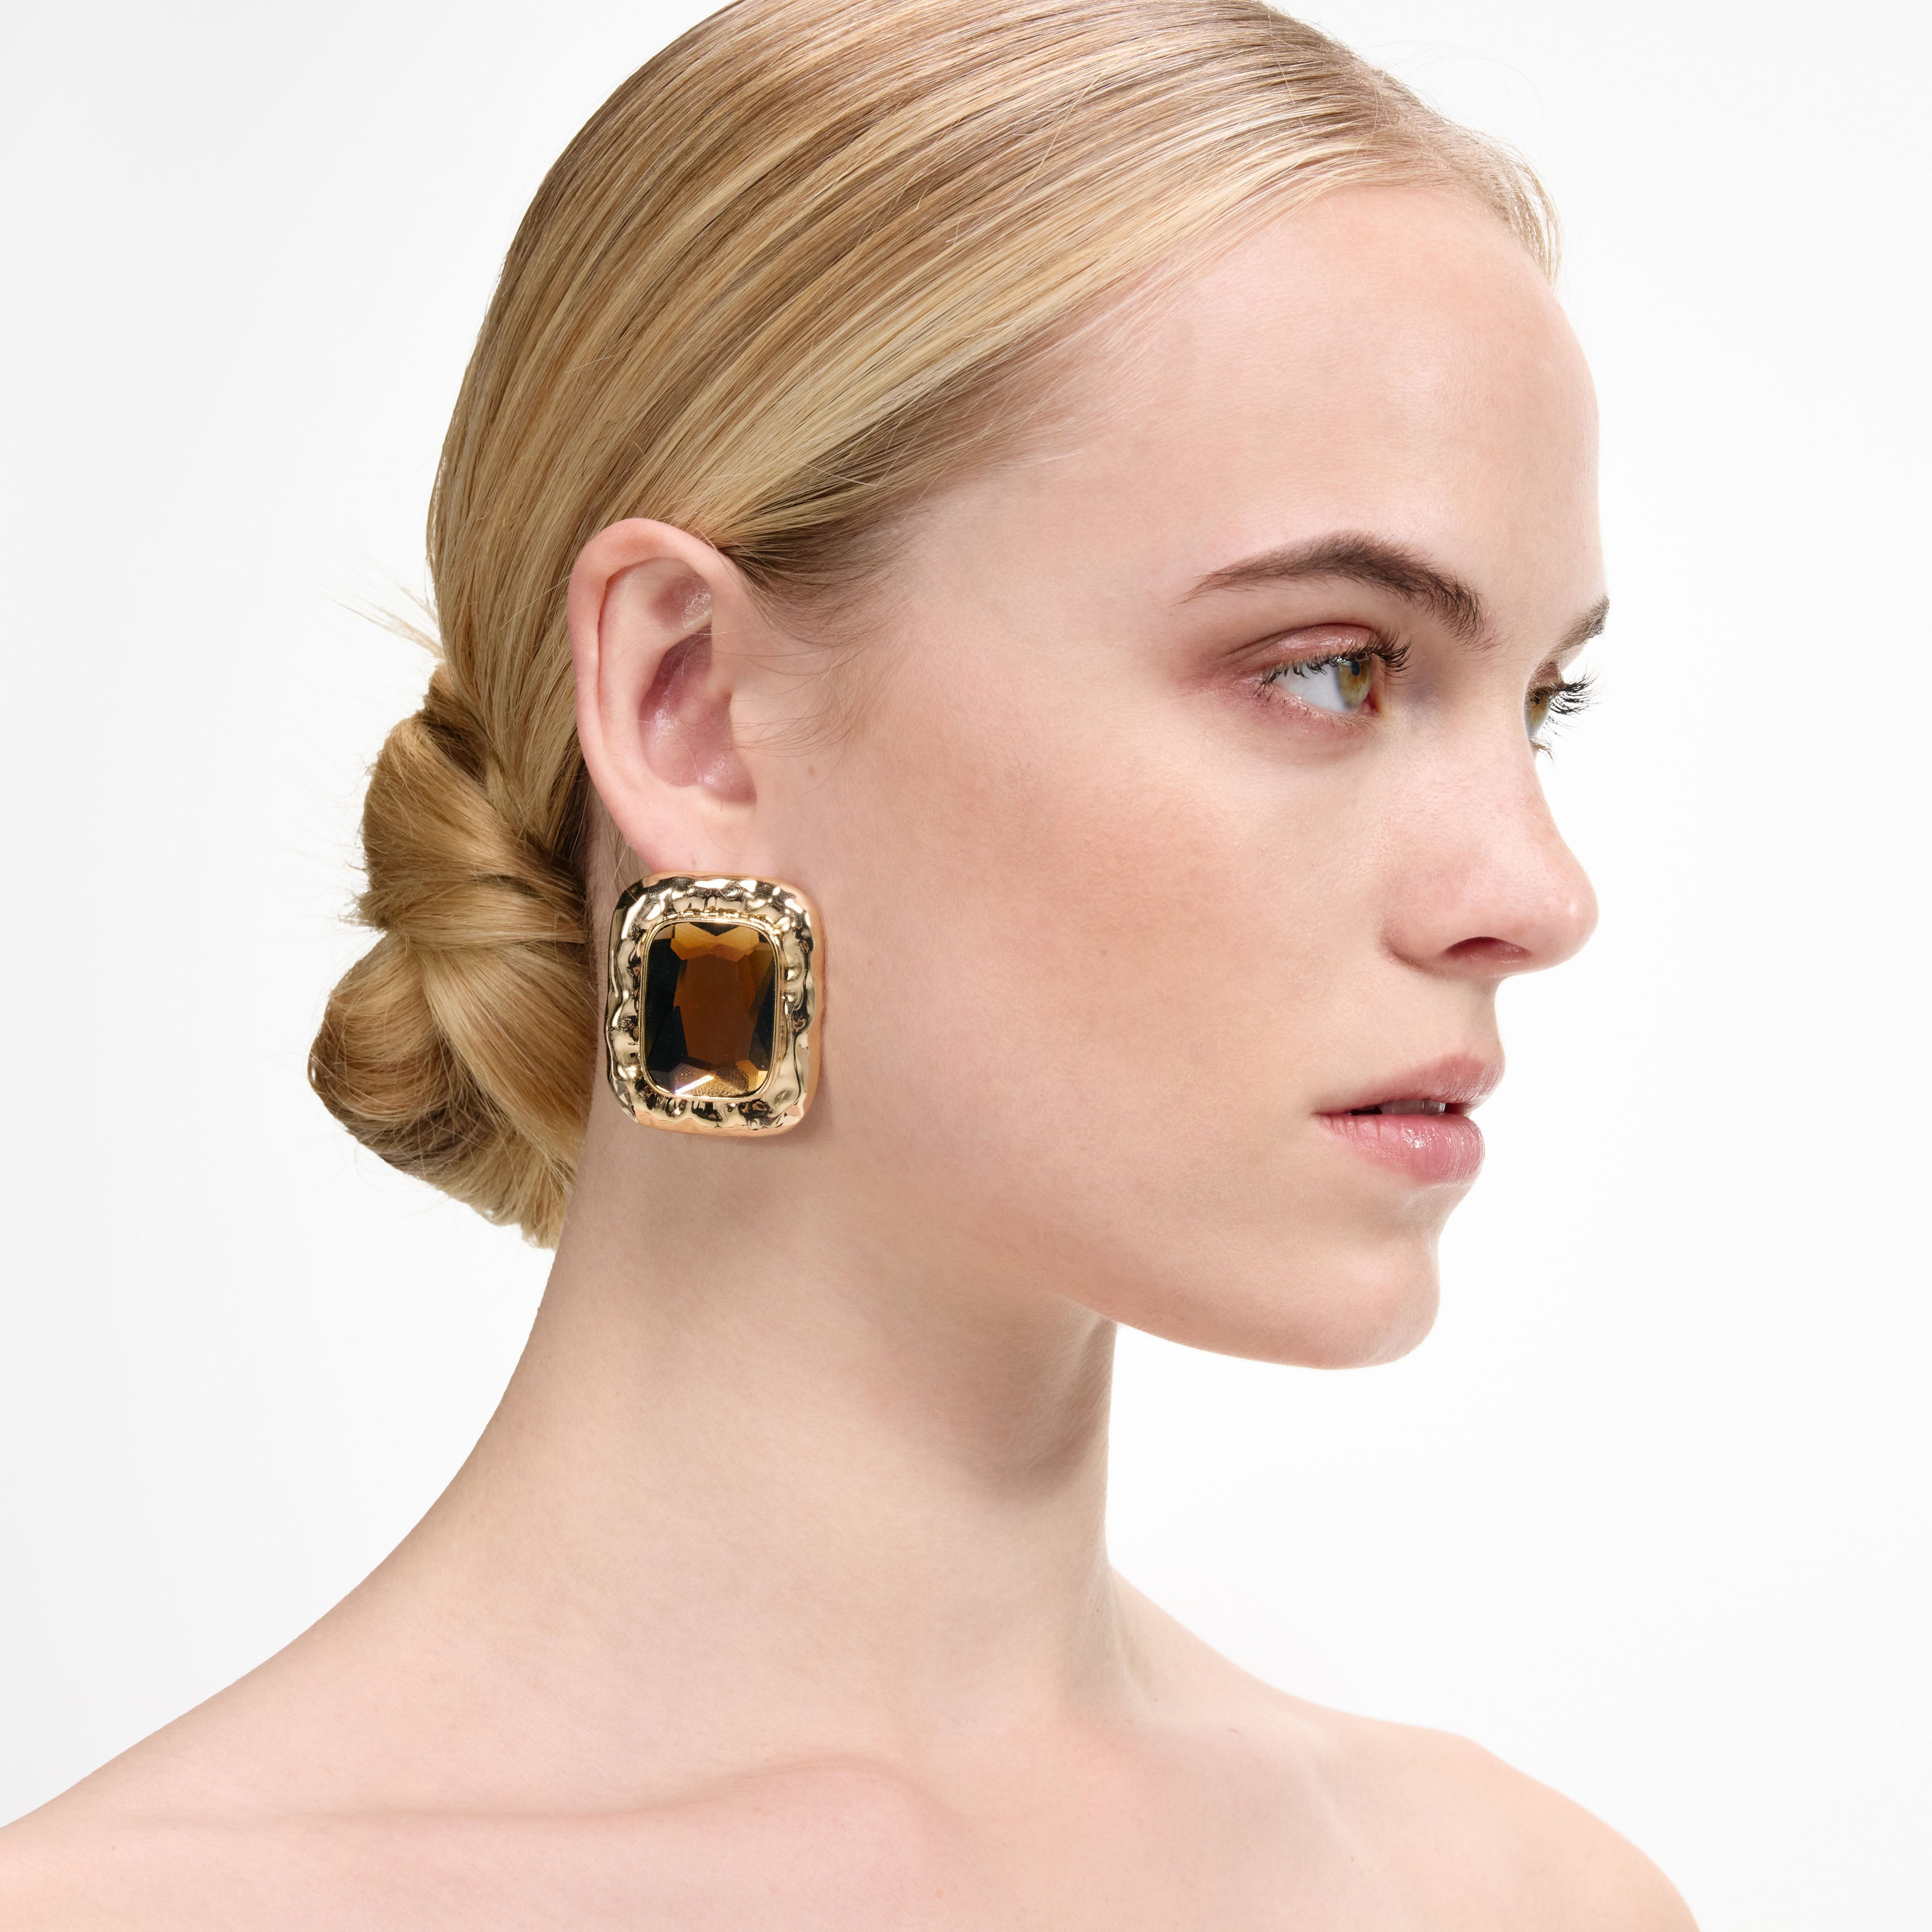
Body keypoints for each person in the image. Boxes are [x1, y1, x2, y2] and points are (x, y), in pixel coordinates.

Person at [0, 0, 1698, 1921]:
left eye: (1541, 703)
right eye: (1326, 668)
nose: (1537, 892)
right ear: (693, 708)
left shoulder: (1520, 1896)